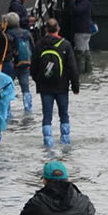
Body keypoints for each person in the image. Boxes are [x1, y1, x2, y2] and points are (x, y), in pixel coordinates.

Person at [35, 19, 79, 149]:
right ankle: (65, 142)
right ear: (58, 29)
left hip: (45, 87)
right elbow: (73, 68)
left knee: (47, 115)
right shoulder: (65, 45)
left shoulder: (39, 44)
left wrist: (39, 80)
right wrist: (75, 86)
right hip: (62, 86)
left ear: (46, 30)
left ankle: (48, 143)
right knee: (63, 113)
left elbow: (34, 67)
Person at [4, 12, 36, 113]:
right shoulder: (27, 33)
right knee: (25, 88)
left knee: (7, 88)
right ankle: (28, 109)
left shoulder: (7, 35)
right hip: (25, 64)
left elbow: (6, 51)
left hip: (11, 65)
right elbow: (33, 48)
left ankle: (8, 112)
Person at [64, 0, 96, 75]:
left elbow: (76, 11)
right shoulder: (84, 0)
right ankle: (88, 72)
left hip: (81, 31)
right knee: (86, 53)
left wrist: (71, 1)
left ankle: (80, 74)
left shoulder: (83, 1)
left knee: (80, 54)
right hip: (85, 30)